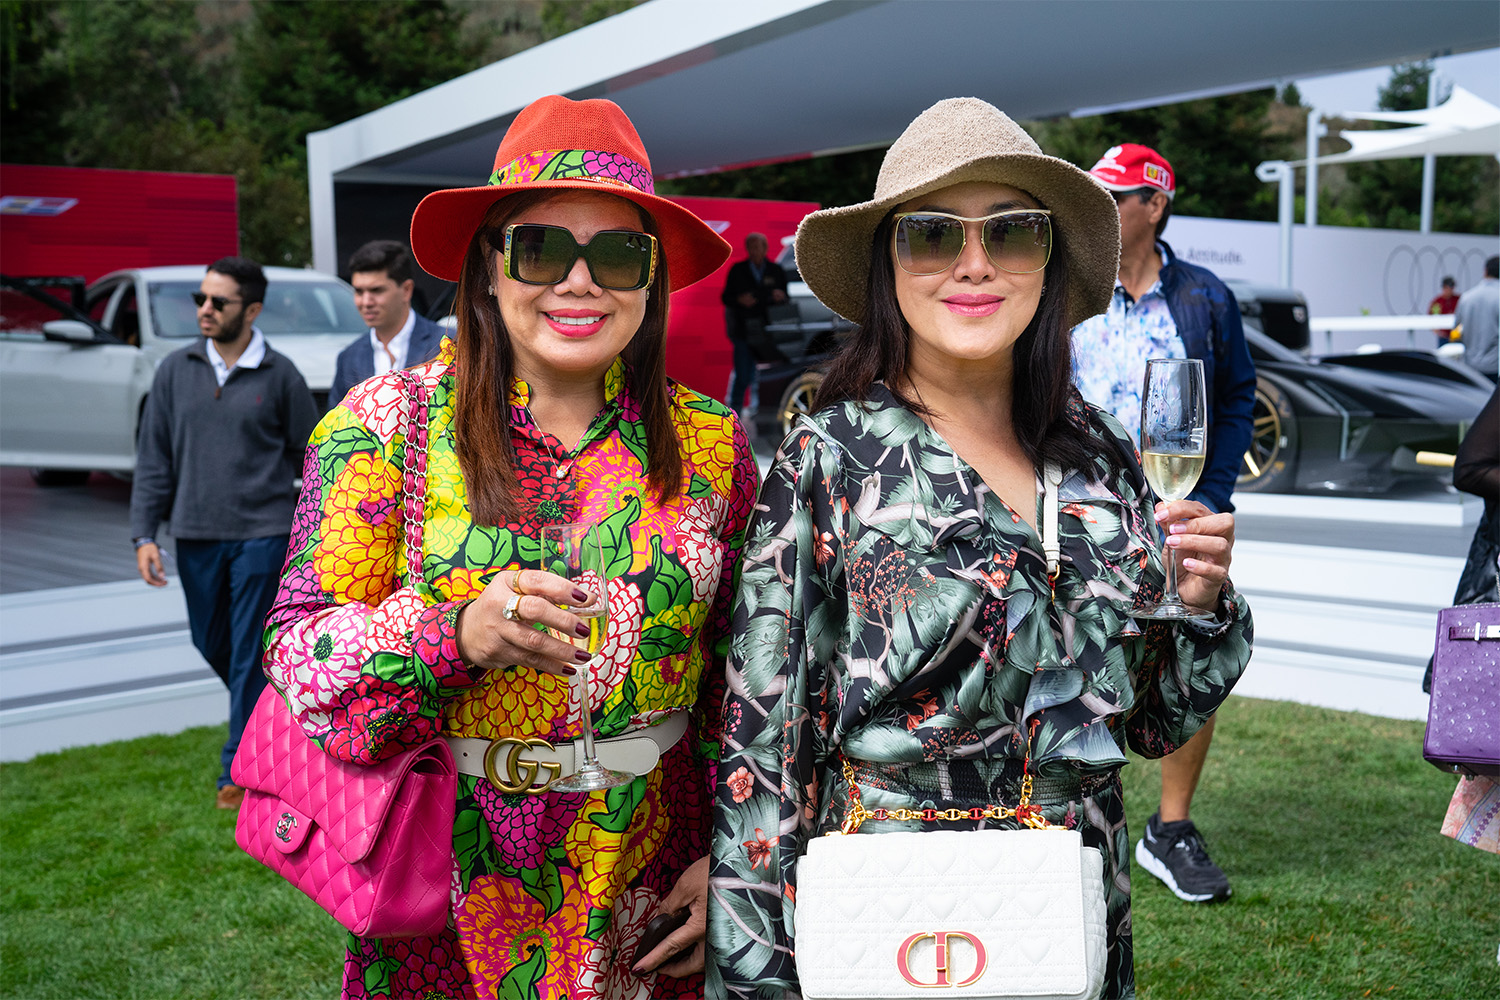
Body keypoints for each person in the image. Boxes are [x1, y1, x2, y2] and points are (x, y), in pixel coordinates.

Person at [706, 98, 1253, 1000]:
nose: (974, 263)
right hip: (896, 915)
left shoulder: (1102, 451)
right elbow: (762, 743)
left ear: (1048, 261)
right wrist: (757, 967)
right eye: (930, 234)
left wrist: (1192, 607)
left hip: (1075, 904)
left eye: (1011, 232)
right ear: (888, 263)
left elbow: (1147, 724)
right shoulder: (831, 455)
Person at [262, 95, 755, 999]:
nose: (579, 282)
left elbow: (750, 675)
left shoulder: (713, 443)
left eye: (616, 253)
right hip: (446, 883)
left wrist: (738, 855)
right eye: (539, 249)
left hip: (656, 877)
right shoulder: (384, 427)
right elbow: (298, 652)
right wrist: (457, 635)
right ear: (487, 269)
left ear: (650, 280)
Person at [1071, 142, 1256, 905]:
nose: (1103, 212)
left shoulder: (1205, 296)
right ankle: (1071, 814)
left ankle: (1169, 827)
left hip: (1179, 509)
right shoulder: (1068, 288)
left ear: (1155, 204)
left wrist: (1210, 495)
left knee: (1191, 641)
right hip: (1079, 509)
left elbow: (1239, 396)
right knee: (1077, 654)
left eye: (1115, 199)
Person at [130, 256, 318, 809]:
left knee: (244, 653)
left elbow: (312, 457)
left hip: (263, 532)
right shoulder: (174, 370)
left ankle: (236, 771)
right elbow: (153, 458)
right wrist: (144, 533)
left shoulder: (280, 374)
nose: (204, 310)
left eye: (218, 302)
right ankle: (276, 718)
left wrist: (306, 532)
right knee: (210, 641)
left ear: (252, 309)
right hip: (194, 532)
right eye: (201, 300)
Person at [328, 240, 447, 405]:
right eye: (359, 291)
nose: (366, 302)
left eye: (376, 290)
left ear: (406, 290)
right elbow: (334, 426)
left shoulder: (446, 345)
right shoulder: (349, 358)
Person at [719, 231, 788, 422]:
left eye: (759, 246)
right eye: (752, 246)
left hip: (768, 331)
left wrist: (778, 296)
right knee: (742, 374)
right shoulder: (738, 270)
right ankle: (733, 416)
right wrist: (740, 299)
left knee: (764, 374)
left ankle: (761, 415)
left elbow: (786, 298)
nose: (755, 250)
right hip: (743, 330)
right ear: (747, 248)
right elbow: (725, 297)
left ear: (765, 248)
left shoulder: (775, 270)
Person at [1454, 255, 1499, 382]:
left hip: (1471, 365)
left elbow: (1457, 329)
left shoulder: (1466, 297)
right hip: (1495, 366)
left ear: (1485, 271)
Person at [1429, 275, 1461, 347]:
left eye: (1451, 288)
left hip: (1457, 336)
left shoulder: (1458, 300)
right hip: (1443, 336)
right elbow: (1432, 317)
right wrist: (1438, 332)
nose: (1449, 290)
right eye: (1447, 288)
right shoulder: (1437, 302)